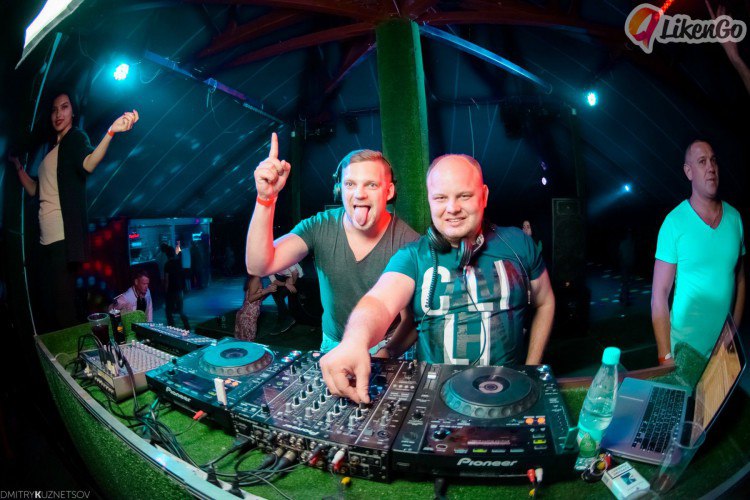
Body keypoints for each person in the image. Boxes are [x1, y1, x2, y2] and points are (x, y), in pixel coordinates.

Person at [320, 154, 556, 403]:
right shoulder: (413, 256)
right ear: (430, 200)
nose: (452, 208)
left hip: (508, 393)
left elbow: (545, 302)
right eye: (440, 198)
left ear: (484, 195)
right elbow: (379, 301)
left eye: (464, 196)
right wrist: (355, 340)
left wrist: (531, 370)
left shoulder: (517, 244)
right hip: (436, 399)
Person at [245, 133, 419, 352]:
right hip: (333, 343)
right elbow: (259, 266)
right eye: (350, 184)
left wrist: (385, 355)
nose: (359, 194)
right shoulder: (319, 226)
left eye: (371, 185)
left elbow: (412, 319)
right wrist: (266, 199)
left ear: (389, 191)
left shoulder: (409, 242)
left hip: (386, 345)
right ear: (340, 190)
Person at [11, 92, 138, 330]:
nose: (58, 114)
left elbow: (88, 163)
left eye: (64, 107)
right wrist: (18, 167)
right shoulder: (52, 150)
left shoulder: (75, 138)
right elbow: (35, 189)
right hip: (44, 240)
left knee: (63, 308)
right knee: (48, 305)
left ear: (72, 112)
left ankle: (74, 351)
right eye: (54, 109)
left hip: (63, 238)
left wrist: (111, 131)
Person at [652, 140, 745, 365]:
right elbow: (659, 294)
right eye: (702, 162)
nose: (711, 167)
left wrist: (733, 331)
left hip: (722, 353)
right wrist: (665, 355)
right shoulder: (674, 223)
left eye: (713, 161)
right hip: (683, 352)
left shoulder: (735, 219)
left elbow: (741, 280)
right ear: (689, 171)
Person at [235, 275, 277, 341]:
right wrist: (267, 290)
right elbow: (250, 299)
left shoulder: (256, 278)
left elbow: (258, 299)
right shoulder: (256, 278)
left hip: (247, 316)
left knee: (242, 343)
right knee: (248, 343)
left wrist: (269, 291)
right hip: (247, 317)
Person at [164, 246, 190, 330]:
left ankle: (171, 327)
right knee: (180, 310)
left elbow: (167, 280)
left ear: (167, 255)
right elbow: (182, 276)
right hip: (179, 289)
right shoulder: (178, 263)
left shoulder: (167, 265)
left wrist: (165, 292)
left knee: (168, 311)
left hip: (171, 290)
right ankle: (187, 326)